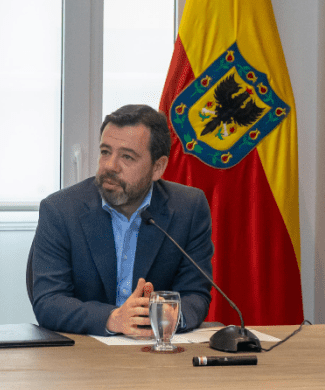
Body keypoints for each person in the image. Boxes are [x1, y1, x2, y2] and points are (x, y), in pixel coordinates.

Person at [29, 104, 213, 336]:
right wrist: (113, 318)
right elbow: (48, 301)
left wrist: (172, 315)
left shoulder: (188, 208)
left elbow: (196, 293)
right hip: (84, 355)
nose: (110, 166)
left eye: (127, 156)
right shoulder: (60, 210)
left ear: (158, 168)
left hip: (155, 352)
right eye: (105, 151)